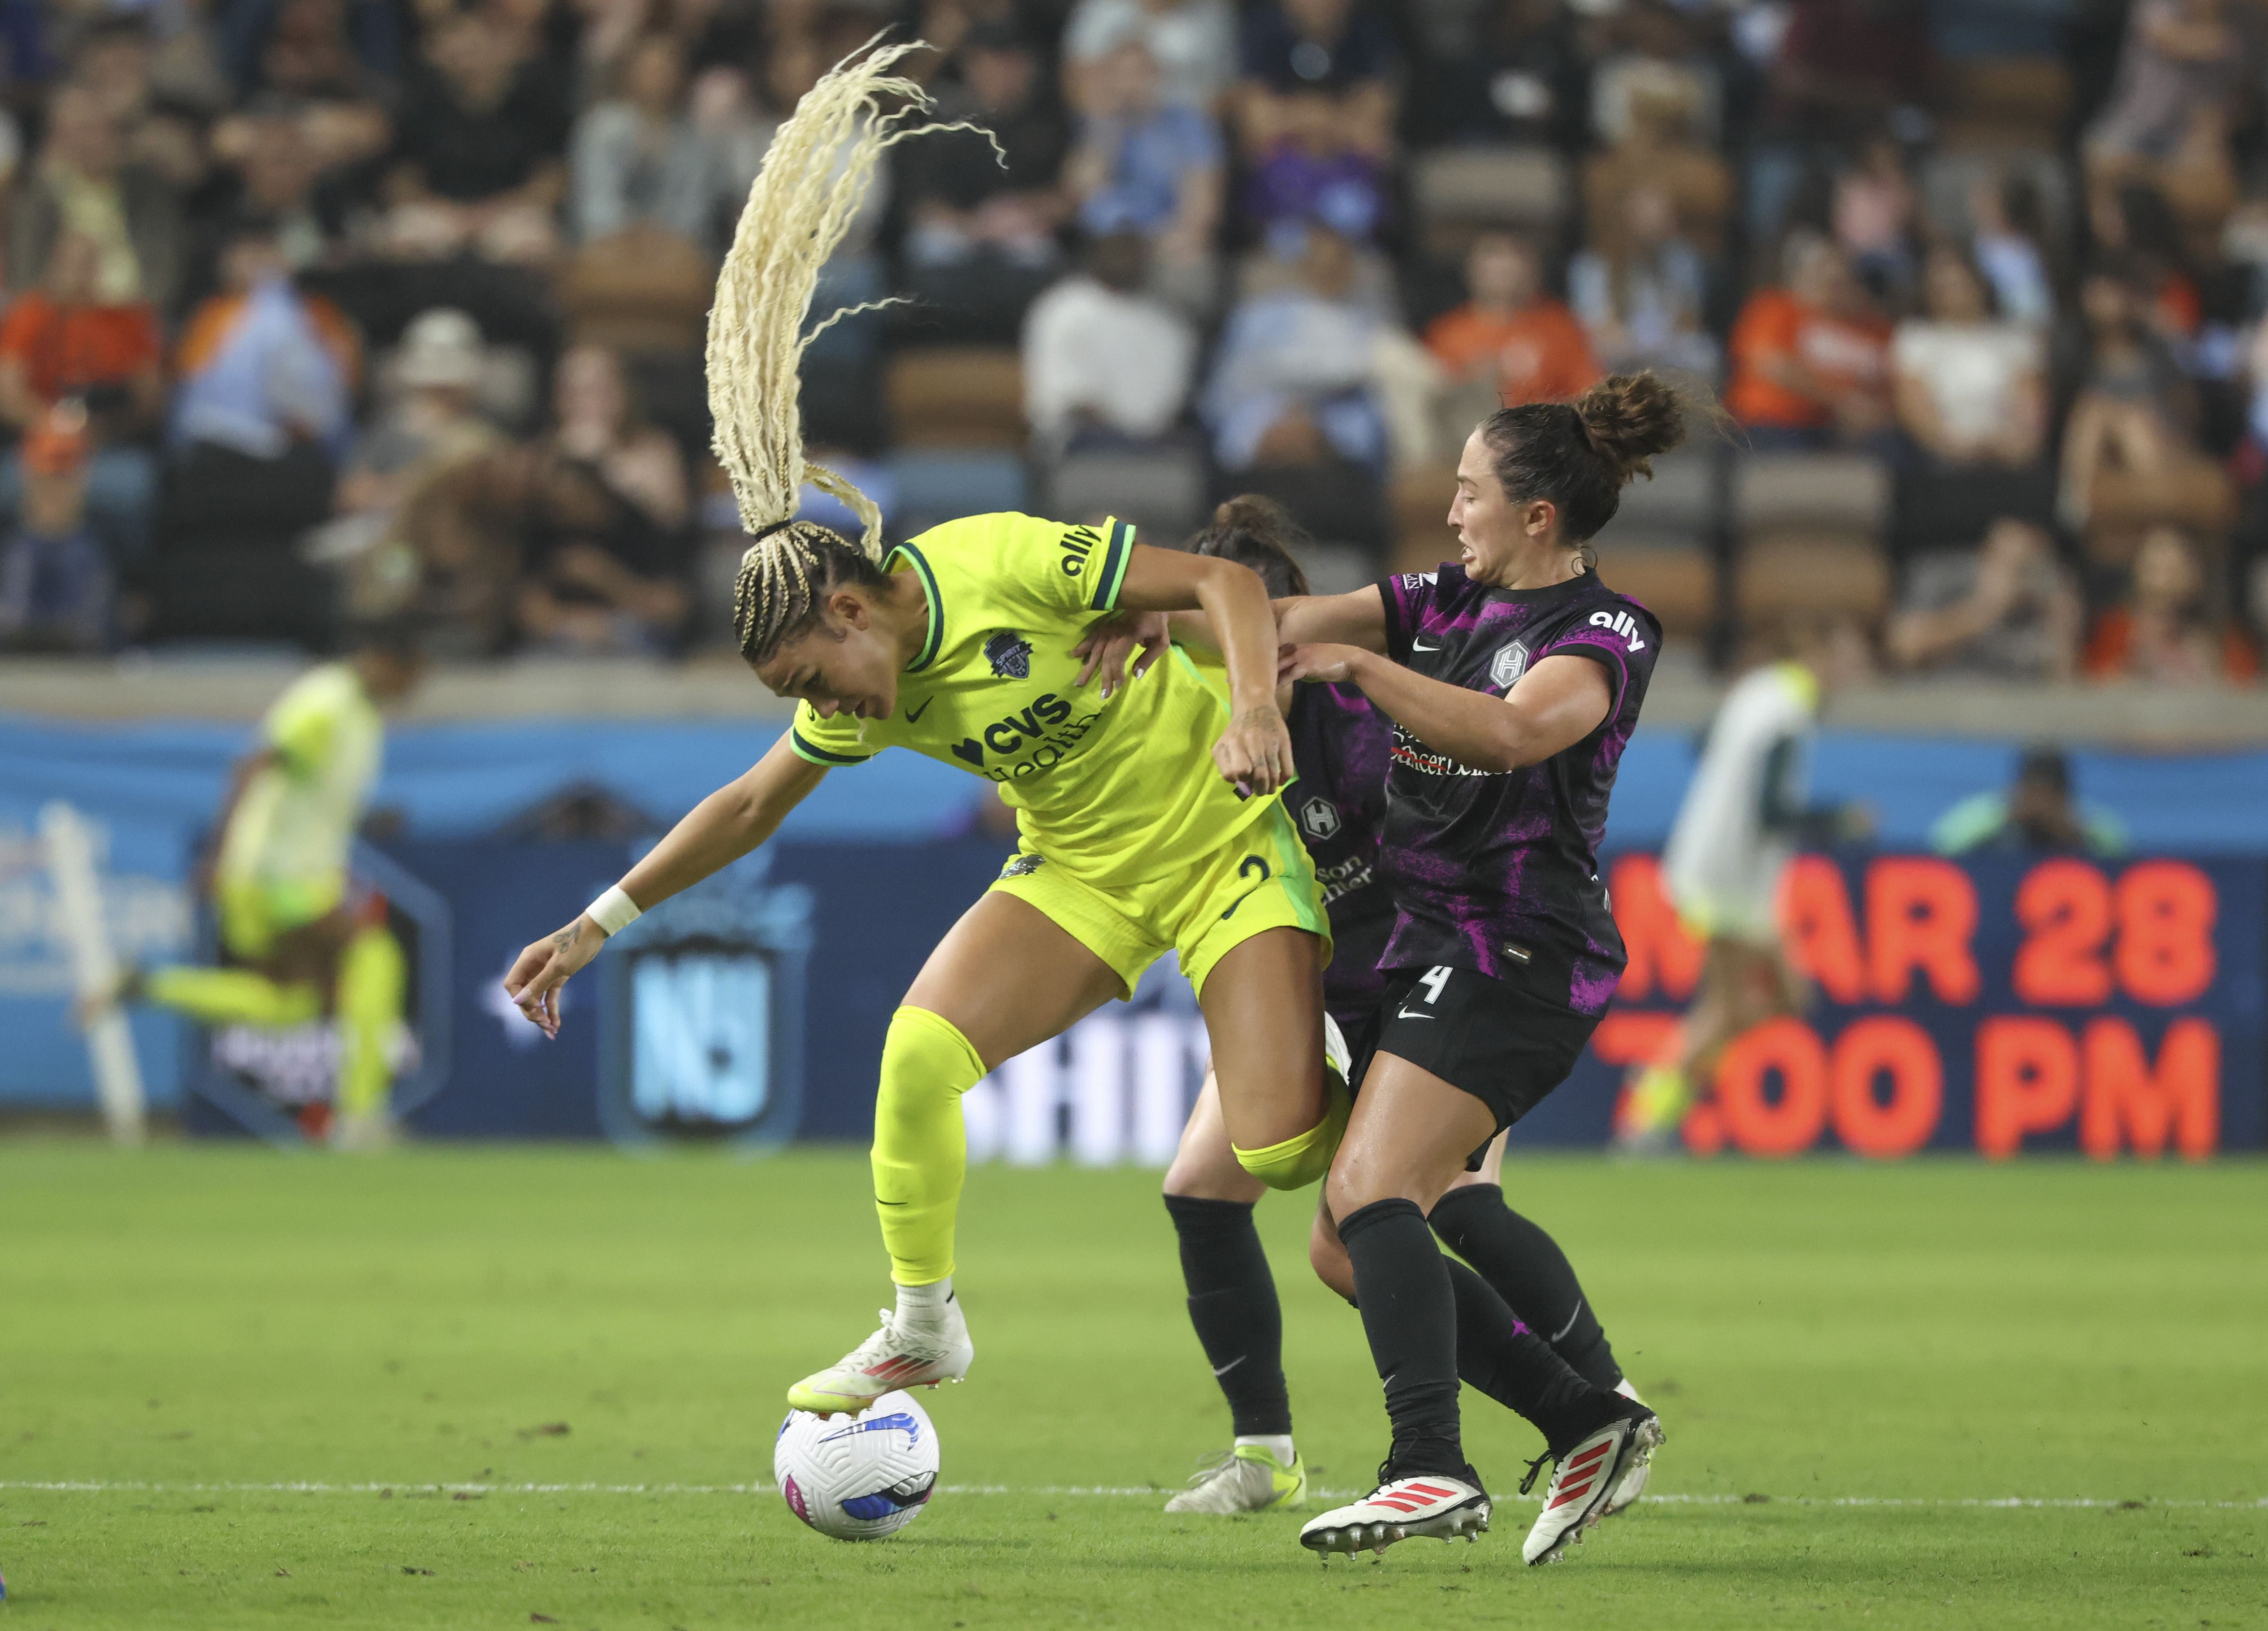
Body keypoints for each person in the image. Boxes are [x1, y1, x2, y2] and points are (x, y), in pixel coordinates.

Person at [499, 42, 1336, 1423]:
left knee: (1285, 1151)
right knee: (917, 1053)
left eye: (811, 677)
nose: (819, 709)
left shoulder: (1002, 561)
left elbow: (1228, 582)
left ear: (849, 604)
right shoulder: (869, 684)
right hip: (1078, 873)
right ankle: (923, 1325)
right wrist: (600, 921)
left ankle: (1374, 1073)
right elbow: (752, 803)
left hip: (1227, 840)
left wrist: (1253, 707)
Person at [1226, 372, 1683, 1562]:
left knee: (1376, 1189)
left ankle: (1427, 1463)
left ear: (1536, 515)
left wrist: (1362, 670)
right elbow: (1279, 621)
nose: (1451, 515)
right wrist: (1133, 618)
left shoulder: (1603, 630)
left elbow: (1517, 731)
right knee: (1345, 1232)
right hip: (1436, 950)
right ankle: (1586, 1413)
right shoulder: (1440, 600)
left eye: (1469, 493)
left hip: (1520, 949)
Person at [1149, 497, 1642, 1519]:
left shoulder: (1364, 719)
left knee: (1429, 1202)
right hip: (1309, 990)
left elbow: (1481, 796)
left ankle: (1596, 1404)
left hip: (1444, 971)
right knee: (1211, 1188)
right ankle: (1268, 1452)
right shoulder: (1182, 714)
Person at [76, 620, 425, 1148]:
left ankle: (145, 986)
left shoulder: (361, 715)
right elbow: (256, 763)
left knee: (290, 1004)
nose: (413, 690)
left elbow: (309, 795)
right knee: (374, 957)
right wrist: (218, 853)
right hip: (276, 875)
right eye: (411, 675)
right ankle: (359, 1119)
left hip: (277, 873)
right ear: (381, 660)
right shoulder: (326, 703)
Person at [1613, 623, 1867, 1154]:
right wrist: (1838, 820)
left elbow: (1701, 741)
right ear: (1819, 655)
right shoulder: (1788, 716)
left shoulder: (1757, 692)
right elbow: (1773, 812)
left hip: (1715, 868)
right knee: (1770, 1002)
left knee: (1749, 1007)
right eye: (1846, 662)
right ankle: (1653, 1102)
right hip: (1732, 883)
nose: (1850, 677)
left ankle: (1663, 1092)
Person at [1424, 233, 1601, 410]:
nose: (1503, 272)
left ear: (1533, 271)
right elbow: (1434, 400)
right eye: (1494, 260)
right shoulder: (1447, 333)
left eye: (1512, 262)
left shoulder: (1561, 327)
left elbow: (1588, 394)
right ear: (1471, 271)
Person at [1932, 746, 2128, 858]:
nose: (2039, 804)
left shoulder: (2087, 820)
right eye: (2033, 792)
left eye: (2048, 795)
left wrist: (2073, 830)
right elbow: (1942, 845)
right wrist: (2005, 815)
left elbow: (2123, 857)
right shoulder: (1995, 812)